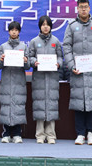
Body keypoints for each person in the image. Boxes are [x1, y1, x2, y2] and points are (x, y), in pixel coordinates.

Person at [62, 0, 92, 146]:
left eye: (85, 7)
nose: (83, 9)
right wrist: (71, 65)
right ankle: (80, 134)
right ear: (77, 9)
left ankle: (91, 133)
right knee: (78, 102)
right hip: (78, 71)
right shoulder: (71, 26)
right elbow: (66, 46)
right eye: (81, 7)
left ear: (89, 8)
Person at [27, 15, 62, 144]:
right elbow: (29, 57)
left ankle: (51, 135)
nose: (45, 27)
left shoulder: (56, 41)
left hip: (52, 77)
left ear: (51, 26)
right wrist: (34, 62)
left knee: (52, 106)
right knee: (39, 106)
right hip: (39, 78)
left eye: (47, 25)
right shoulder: (34, 41)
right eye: (43, 25)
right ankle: (40, 135)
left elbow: (60, 57)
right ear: (40, 27)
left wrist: (58, 63)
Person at [0, 21, 30, 143]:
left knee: (18, 107)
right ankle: (6, 133)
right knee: (6, 106)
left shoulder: (24, 47)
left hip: (19, 81)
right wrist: (1, 60)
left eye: (16, 30)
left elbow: (28, 66)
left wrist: (26, 61)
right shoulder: (3, 47)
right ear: (9, 31)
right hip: (6, 80)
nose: (14, 32)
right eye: (12, 30)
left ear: (19, 32)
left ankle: (17, 133)